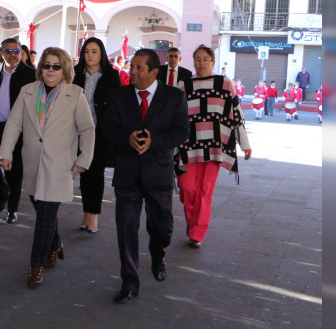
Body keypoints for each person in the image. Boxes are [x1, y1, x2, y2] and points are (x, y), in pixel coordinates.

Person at [0, 47, 95, 288]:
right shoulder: (27, 91)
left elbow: (87, 129)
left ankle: (36, 266)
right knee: (41, 208)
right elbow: (13, 123)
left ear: (65, 70)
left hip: (60, 166)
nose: (50, 70)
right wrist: (5, 153)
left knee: (44, 217)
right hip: (31, 163)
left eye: (56, 66)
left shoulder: (75, 94)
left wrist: (84, 160)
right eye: (46, 65)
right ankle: (56, 245)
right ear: (40, 67)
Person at [101, 48, 189, 304]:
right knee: (126, 229)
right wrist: (126, 137)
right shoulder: (119, 95)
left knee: (161, 228)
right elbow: (108, 127)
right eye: (132, 67)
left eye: (139, 68)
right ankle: (129, 282)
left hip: (158, 174)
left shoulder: (173, 97)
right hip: (127, 174)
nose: (133, 72)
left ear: (154, 71)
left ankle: (158, 254)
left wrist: (156, 142)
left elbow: (182, 132)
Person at [176, 45, 252, 248]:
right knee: (187, 187)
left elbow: (236, 114)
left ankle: (197, 232)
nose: (201, 63)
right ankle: (194, 223)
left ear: (213, 61)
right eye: (197, 59)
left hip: (215, 147)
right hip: (188, 146)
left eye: (205, 59)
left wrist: (244, 144)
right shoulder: (184, 85)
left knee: (205, 190)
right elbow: (172, 116)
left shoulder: (224, 83)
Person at [0, 38, 36, 223]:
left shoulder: (30, 74)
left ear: (21, 52)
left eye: (16, 51)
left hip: (18, 130)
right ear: (1, 53)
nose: (12, 55)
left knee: (14, 170)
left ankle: (12, 209)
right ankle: (2, 192)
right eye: (8, 51)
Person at [72, 37, 120, 234]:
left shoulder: (111, 75)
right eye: (86, 51)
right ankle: (86, 214)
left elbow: (117, 105)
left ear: (101, 54)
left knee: (96, 174)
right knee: (84, 174)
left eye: (94, 51)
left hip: (100, 132)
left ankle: (94, 217)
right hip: (77, 131)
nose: (90, 55)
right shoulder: (75, 73)